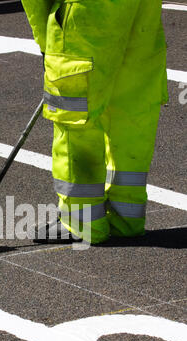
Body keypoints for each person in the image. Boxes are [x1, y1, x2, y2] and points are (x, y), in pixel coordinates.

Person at [21, 0, 168, 244]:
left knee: (76, 120)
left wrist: (45, 41)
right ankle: (126, 218)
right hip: (143, 12)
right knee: (132, 115)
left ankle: (81, 223)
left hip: (86, 16)